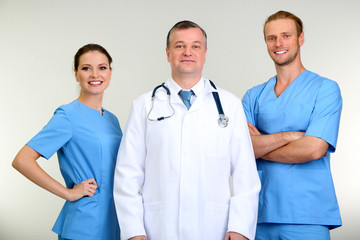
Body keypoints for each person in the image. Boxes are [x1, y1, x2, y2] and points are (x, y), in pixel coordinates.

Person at [113, 20, 260, 240]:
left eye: (195, 46)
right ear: (168, 52)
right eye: (180, 46)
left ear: (205, 53)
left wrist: (240, 227)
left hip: (215, 229)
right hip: (158, 229)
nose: (187, 52)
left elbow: (245, 174)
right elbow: (127, 173)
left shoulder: (230, 105)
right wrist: (133, 230)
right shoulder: (144, 105)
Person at [242, 11, 342, 240]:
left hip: (308, 216)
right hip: (259, 215)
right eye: (271, 38)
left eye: (286, 35)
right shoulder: (253, 96)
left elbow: (314, 148)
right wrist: (290, 136)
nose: (279, 43)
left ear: (301, 38)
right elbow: (240, 148)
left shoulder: (325, 89)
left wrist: (260, 146)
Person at [12, 43, 122, 240]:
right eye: (86, 68)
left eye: (102, 68)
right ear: (76, 73)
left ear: (110, 73)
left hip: (113, 222)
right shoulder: (68, 116)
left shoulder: (112, 120)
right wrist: (68, 193)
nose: (95, 75)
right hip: (84, 225)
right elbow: (22, 160)